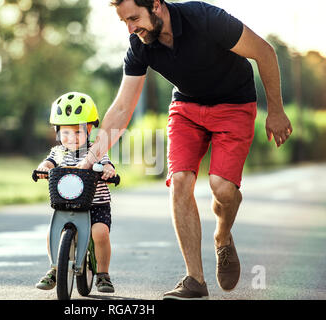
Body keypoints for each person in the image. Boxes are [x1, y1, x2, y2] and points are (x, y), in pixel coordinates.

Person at [76, 0, 293, 299]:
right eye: (124, 21)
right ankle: (195, 279)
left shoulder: (205, 18)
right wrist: (90, 158)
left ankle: (222, 235)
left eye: (134, 18)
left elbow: (264, 53)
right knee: (179, 181)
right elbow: (123, 107)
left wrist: (277, 112)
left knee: (223, 189)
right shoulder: (140, 44)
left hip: (234, 105)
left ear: (156, 5)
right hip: (187, 108)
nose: (130, 28)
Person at [35, 92, 116, 293]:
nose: (71, 138)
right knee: (52, 232)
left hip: (96, 204)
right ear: (57, 131)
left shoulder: (96, 150)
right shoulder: (58, 152)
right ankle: (55, 268)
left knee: (100, 232)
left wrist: (108, 170)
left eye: (78, 132)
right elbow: (48, 162)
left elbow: (107, 164)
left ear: (89, 129)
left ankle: (103, 274)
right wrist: (43, 168)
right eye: (65, 133)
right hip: (65, 204)